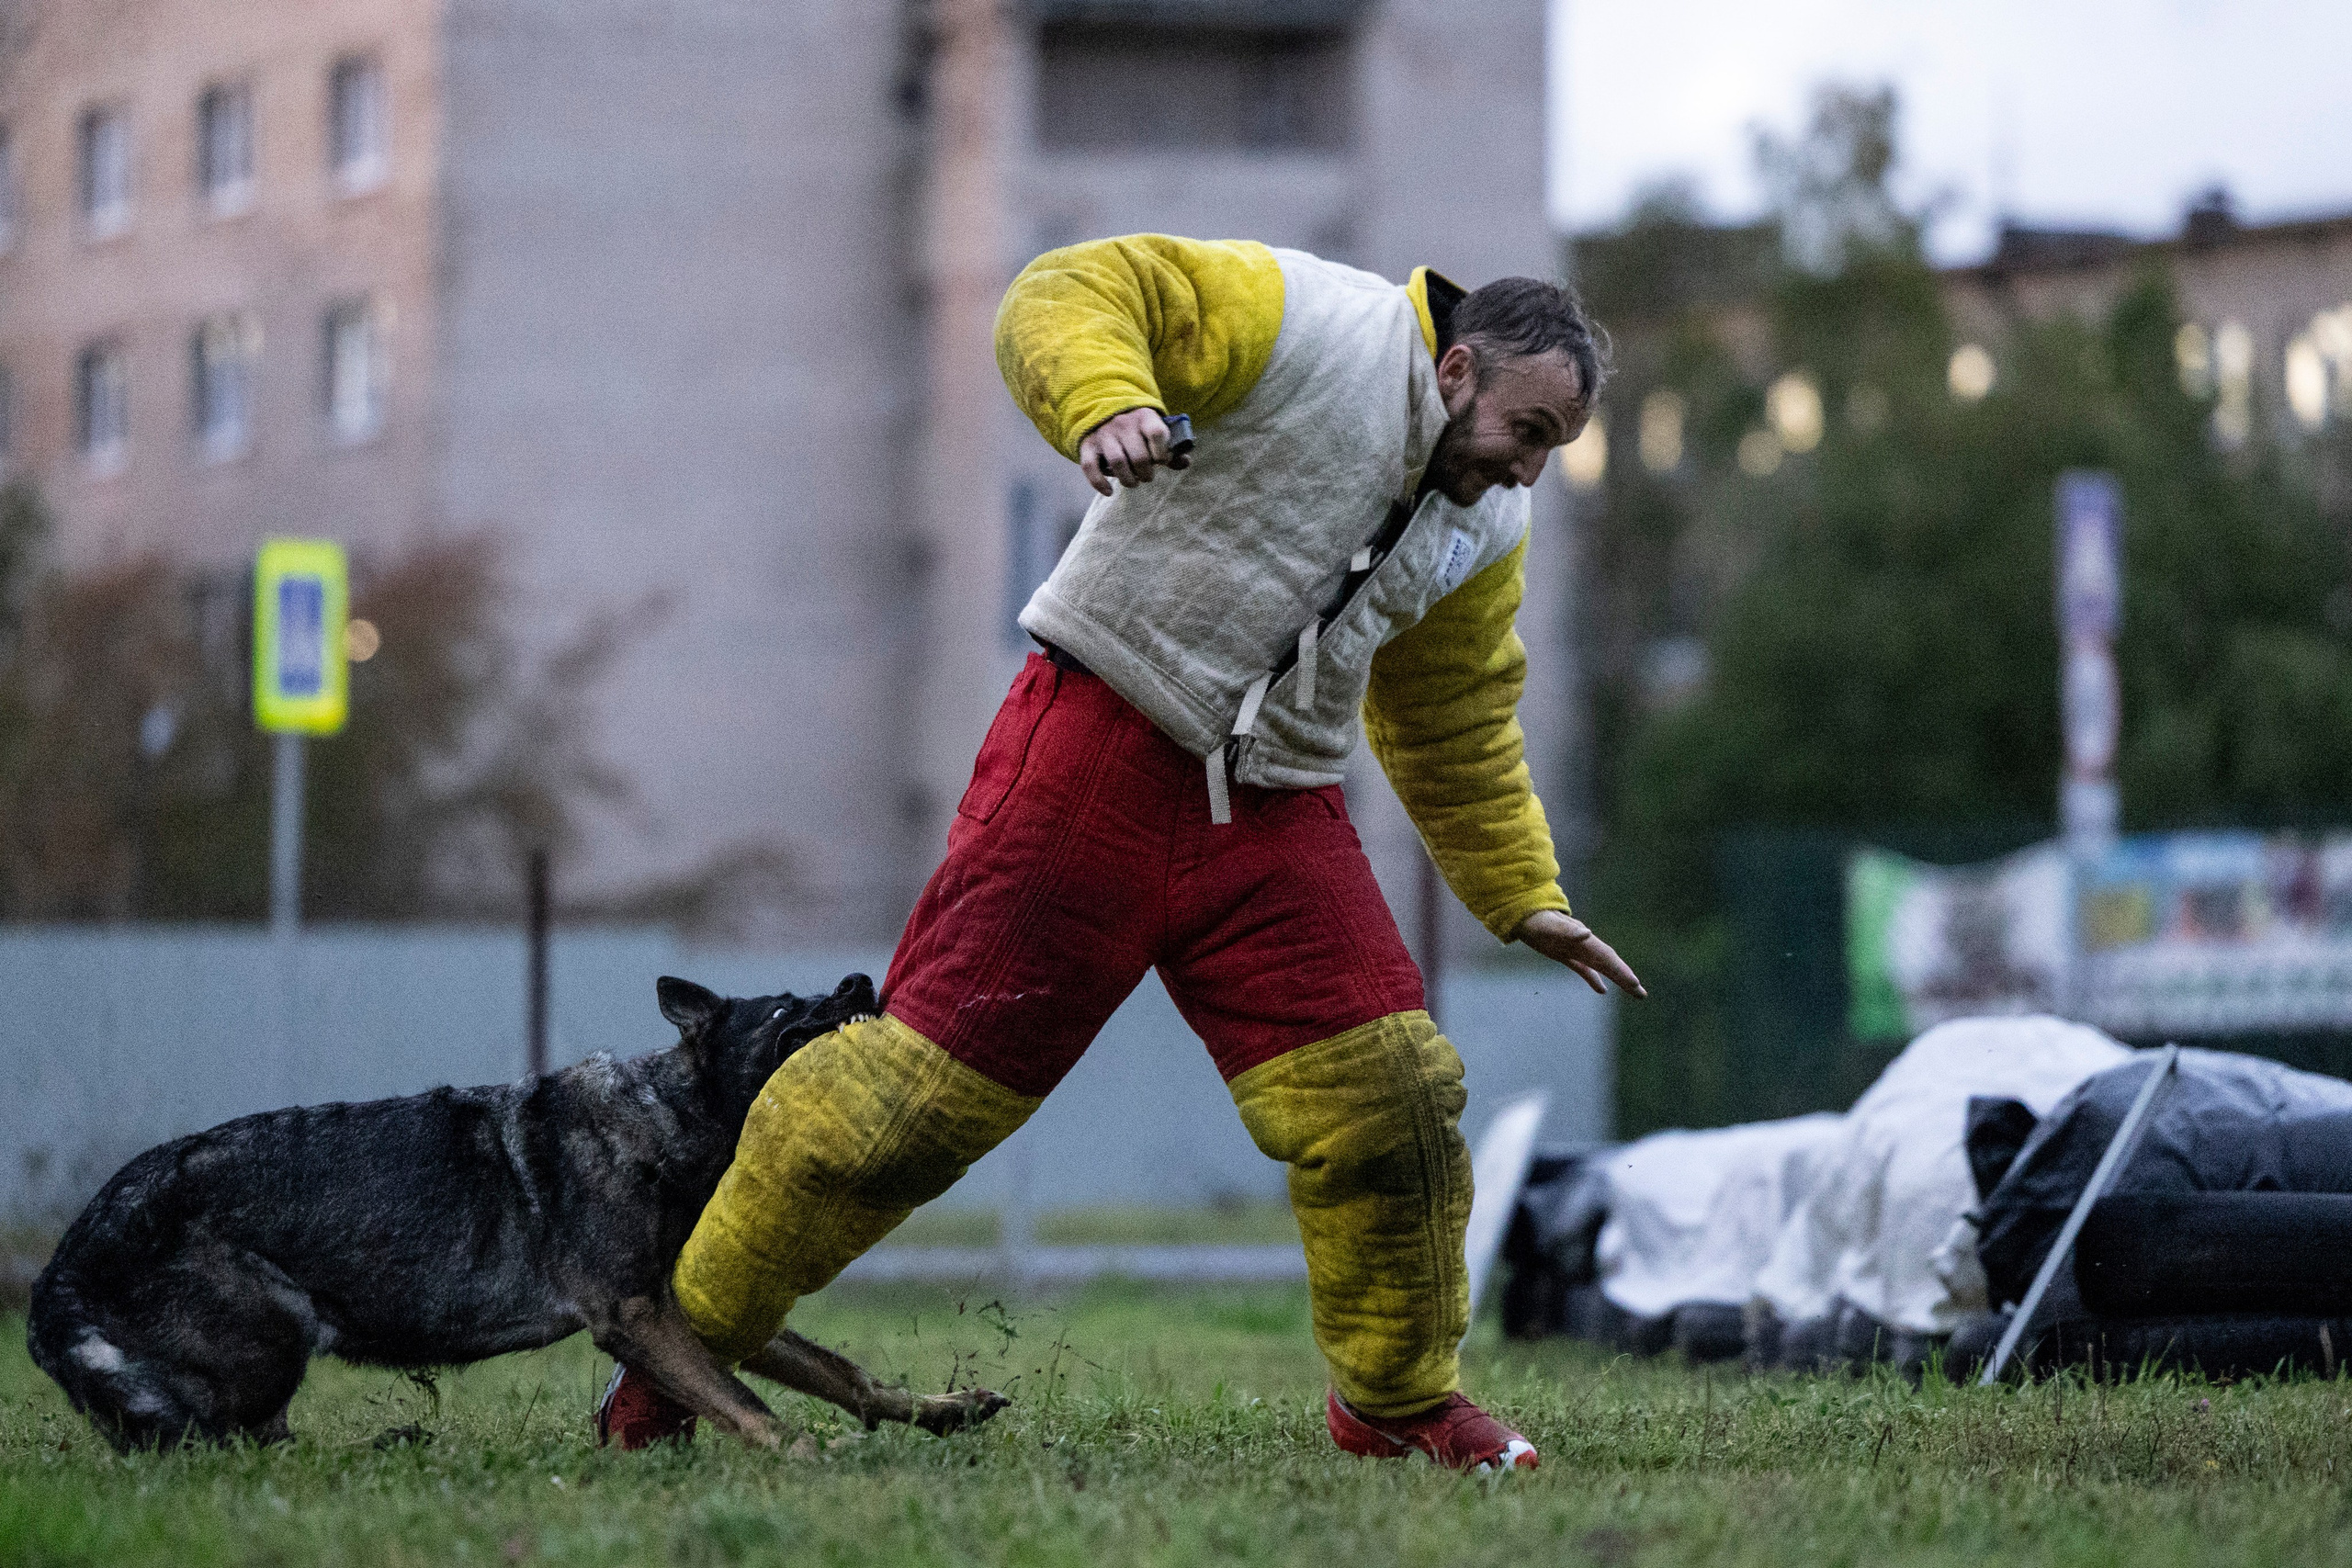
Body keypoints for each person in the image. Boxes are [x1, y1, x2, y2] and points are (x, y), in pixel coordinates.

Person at [597, 235, 1645, 1471]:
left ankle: (1397, 1403)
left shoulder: (1491, 528)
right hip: (1092, 752)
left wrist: (1523, 895)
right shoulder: (1307, 324)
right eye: (1526, 431)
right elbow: (1073, 290)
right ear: (1458, 366)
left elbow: (1453, 714)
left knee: (1396, 1105)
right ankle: (666, 1370)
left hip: (1274, 811)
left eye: (1552, 452)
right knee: (899, 1118)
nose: (1528, 470)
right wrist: (1108, 405)